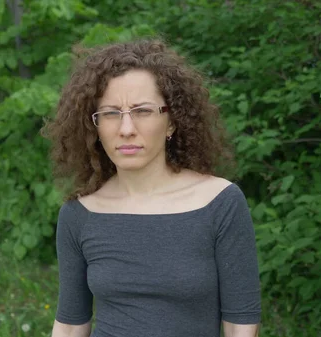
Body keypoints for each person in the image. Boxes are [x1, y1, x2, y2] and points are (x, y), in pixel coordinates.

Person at [41, 38, 262, 337]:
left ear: (171, 122)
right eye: (110, 113)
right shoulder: (79, 214)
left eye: (143, 111)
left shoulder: (220, 203)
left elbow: (241, 323)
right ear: (94, 127)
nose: (126, 128)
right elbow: (69, 325)